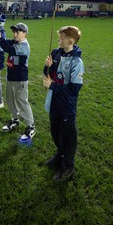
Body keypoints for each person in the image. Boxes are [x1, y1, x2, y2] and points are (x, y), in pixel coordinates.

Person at [43, 26, 84, 182]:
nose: (58, 39)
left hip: (66, 107)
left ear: (71, 41)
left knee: (68, 138)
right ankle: (59, 157)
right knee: (55, 133)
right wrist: (48, 66)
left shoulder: (77, 61)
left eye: (61, 37)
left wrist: (52, 85)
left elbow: (74, 89)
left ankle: (68, 166)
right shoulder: (56, 53)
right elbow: (47, 75)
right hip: (53, 103)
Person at [0, 20, 36, 143]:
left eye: (18, 32)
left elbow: (9, 49)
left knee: (22, 102)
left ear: (25, 33)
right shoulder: (15, 41)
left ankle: (31, 126)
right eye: (14, 32)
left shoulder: (24, 46)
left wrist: (0, 38)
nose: (15, 34)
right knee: (10, 100)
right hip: (10, 78)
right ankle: (15, 119)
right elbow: (6, 43)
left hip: (20, 79)